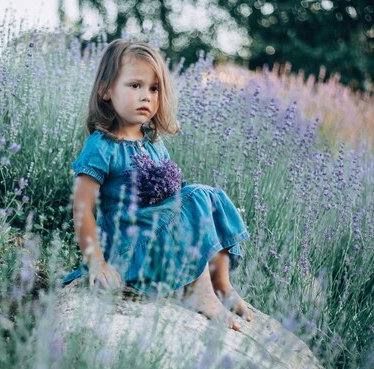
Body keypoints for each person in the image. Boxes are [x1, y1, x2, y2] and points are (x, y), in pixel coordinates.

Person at [63, 39, 252, 331]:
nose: (146, 96)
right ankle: (199, 293)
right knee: (197, 196)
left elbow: (172, 199)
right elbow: (82, 210)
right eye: (135, 85)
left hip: (158, 240)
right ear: (105, 90)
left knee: (210, 198)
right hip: (128, 248)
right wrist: (97, 262)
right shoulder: (101, 147)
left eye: (153, 89)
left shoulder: (153, 144)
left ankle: (221, 285)